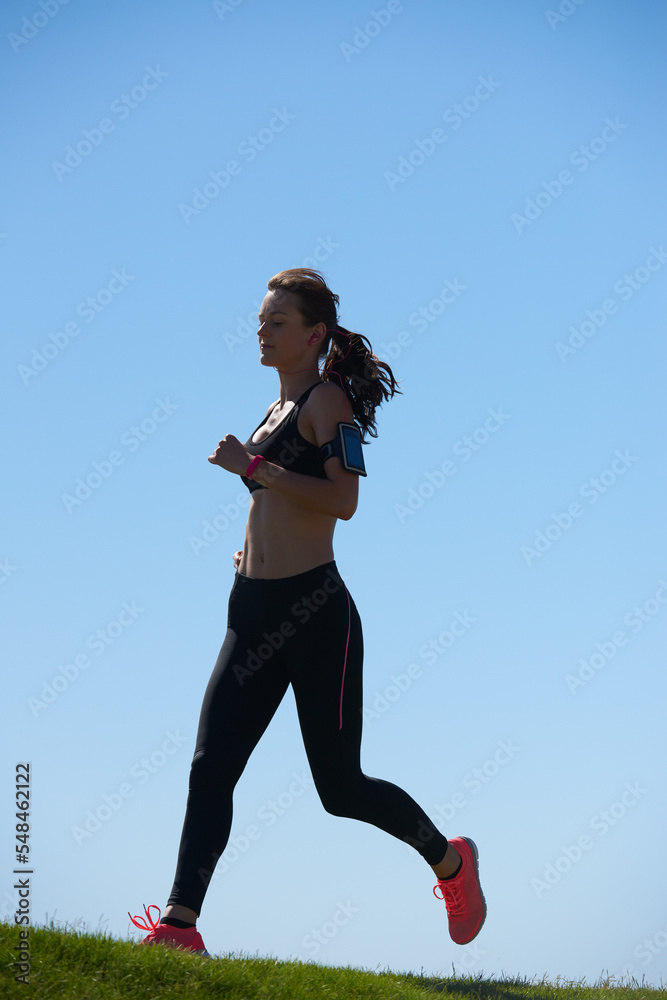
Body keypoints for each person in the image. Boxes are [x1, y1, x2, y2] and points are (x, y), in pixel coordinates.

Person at [129, 268, 486, 957]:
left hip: (316, 613)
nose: (261, 332)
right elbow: (277, 509)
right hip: (251, 612)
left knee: (340, 787)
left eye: (276, 322)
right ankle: (180, 925)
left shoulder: (329, 405)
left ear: (314, 335)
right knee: (211, 767)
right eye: (261, 321)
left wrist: (253, 469)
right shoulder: (268, 414)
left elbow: (343, 501)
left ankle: (449, 861)